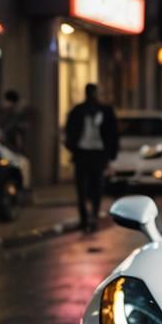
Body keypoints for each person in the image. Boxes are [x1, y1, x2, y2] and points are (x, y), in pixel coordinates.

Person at [63, 83, 117, 232]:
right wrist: (72, 146)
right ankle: (86, 217)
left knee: (96, 186)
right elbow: (70, 131)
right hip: (83, 153)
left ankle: (92, 215)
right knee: (83, 187)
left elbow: (111, 133)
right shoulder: (79, 111)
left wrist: (110, 154)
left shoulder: (104, 111)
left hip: (96, 153)